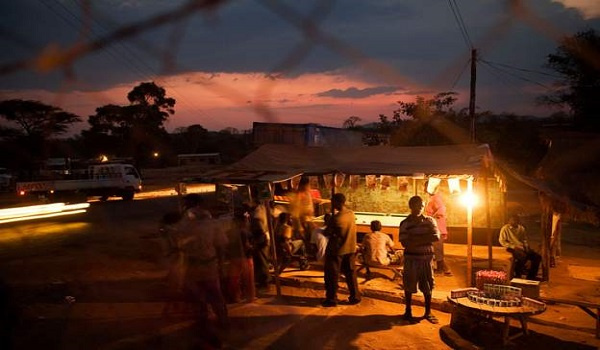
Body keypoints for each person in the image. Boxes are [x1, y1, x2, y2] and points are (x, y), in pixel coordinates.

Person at [178, 194, 229, 329]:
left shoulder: (187, 223)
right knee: (213, 295)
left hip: (201, 265)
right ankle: (219, 322)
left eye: (187, 204)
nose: (186, 207)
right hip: (205, 265)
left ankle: (209, 323)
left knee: (204, 296)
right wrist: (221, 265)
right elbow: (221, 245)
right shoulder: (207, 223)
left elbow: (180, 245)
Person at [399, 195, 441, 324]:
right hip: (411, 259)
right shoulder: (405, 223)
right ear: (411, 207)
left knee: (428, 285)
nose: (420, 208)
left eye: (422, 206)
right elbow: (405, 243)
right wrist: (425, 238)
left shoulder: (430, 221)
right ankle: (408, 311)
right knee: (409, 285)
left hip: (426, 260)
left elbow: (436, 237)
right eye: (417, 205)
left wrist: (414, 239)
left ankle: (427, 312)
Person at [322, 193, 361, 307]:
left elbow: (326, 232)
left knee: (332, 275)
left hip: (336, 250)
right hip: (350, 248)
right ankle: (355, 297)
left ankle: (331, 299)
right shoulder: (351, 214)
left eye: (333, 202)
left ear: (338, 202)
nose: (332, 204)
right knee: (351, 274)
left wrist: (329, 223)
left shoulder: (336, 218)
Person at [499, 215, 541, 280]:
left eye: (516, 220)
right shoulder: (505, 228)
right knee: (522, 257)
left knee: (537, 257)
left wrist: (526, 246)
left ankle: (531, 276)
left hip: (522, 247)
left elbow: (524, 239)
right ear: (509, 220)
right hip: (511, 248)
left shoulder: (521, 228)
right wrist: (513, 246)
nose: (514, 221)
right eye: (513, 220)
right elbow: (502, 241)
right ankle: (517, 274)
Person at [424, 182, 452, 276]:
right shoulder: (433, 197)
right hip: (435, 227)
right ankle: (444, 269)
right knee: (436, 248)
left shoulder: (436, 198)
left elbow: (442, 209)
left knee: (437, 248)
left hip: (437, 228)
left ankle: (443, 269)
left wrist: (432, 217)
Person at [249, 199, 271, 290]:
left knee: (262, 262)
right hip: (264, 238)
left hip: (261, 239)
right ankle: (264, 281)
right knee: (262, 261)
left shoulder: (257, 213)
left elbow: (260, 228)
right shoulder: (261, 209)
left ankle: (265, 283)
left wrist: (258, 240)